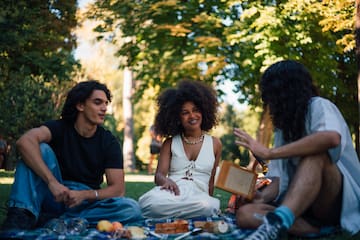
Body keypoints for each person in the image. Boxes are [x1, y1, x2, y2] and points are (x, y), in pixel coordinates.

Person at [234, 60, 360, 240]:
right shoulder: (283, 129)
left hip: (333, 202)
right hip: (301, 208)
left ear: (284, 92)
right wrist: (260, 197)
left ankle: (280, 221)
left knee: (315, 154)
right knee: (245, 214)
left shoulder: (319, 106)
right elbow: (282, 179)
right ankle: (316, 232)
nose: (269, 103)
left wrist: (269, 153)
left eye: (271, 95)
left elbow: (331, 138)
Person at [1, 80, 142, 231]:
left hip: (86, 202)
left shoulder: (109, 142)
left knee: (130, 208)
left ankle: (53, 220)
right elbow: (24, 142)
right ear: (80, 105)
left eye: (105, 104)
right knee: (39, 149)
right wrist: (52, 182)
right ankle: (21, 215)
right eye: (97, 102)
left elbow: (118, 189)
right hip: (53, 195)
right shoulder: (59, 128)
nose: (104, 108)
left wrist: (84, 194)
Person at [138, 80, 222, 219]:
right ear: (177, 117)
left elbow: (211, 180)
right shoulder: (169, 143)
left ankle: (176, 215)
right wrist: (166, 182)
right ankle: (189, 215)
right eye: (185, 112)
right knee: (146, 203)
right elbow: (159, 175)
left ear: (204, 111)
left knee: (210, 206)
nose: (192, 116)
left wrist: (208, 199)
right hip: (171, 193)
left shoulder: (215, 143)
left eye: (195, 110)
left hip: (199, 197)